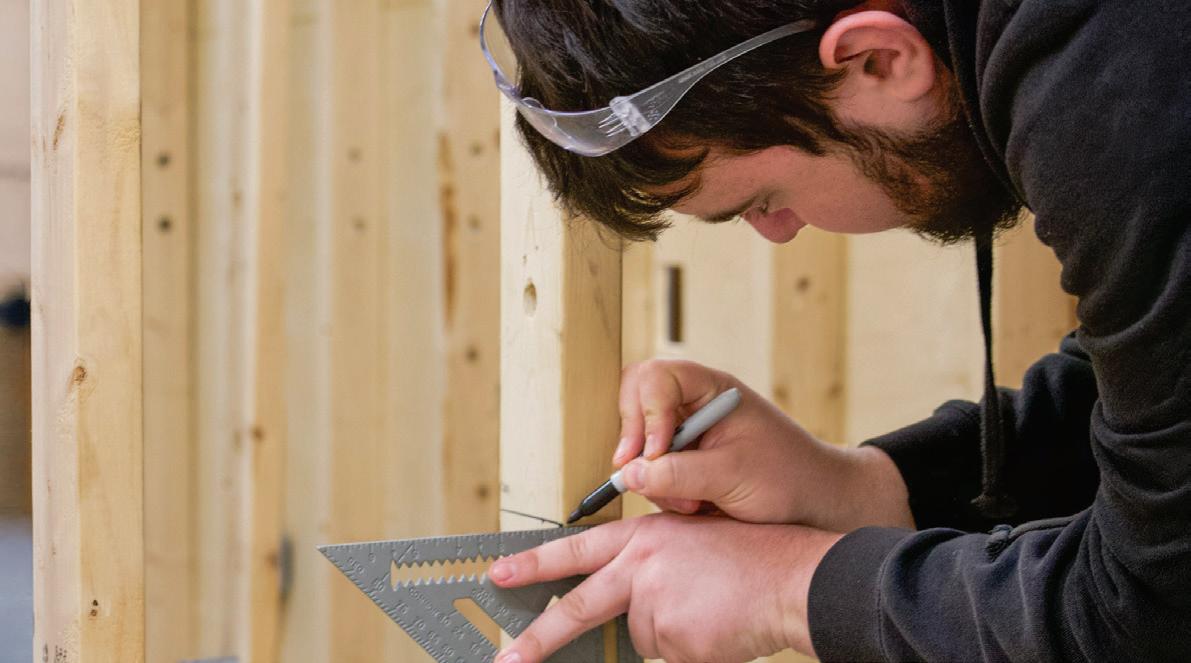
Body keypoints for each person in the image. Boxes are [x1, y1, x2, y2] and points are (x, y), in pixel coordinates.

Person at [482, 1, 1191, 661]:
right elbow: (1147, 410)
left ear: (877, 59)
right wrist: (863, 487)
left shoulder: (1111, 87)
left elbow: (1150, 609)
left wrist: (785, 588)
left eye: (763, 198)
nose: (778, 232)